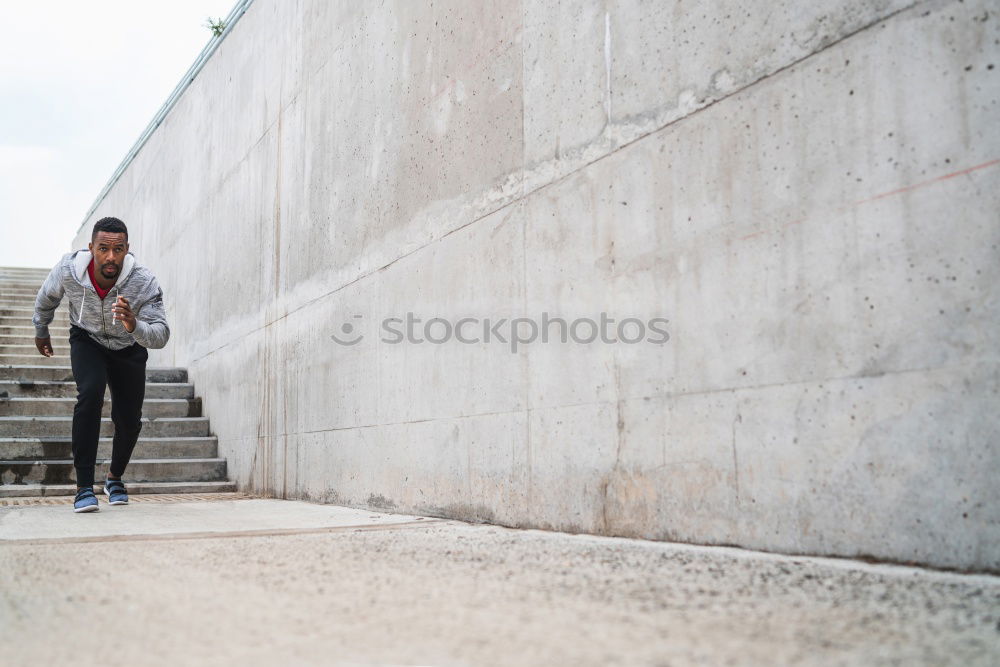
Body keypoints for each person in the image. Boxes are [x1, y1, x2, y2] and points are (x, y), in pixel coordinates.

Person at [32, 217, 170, 513]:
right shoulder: (68, 270)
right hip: (87, 339)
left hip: (128, 346)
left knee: (129, 419)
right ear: (91, 247)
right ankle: (83, 488)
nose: (111, 257)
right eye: (104, 249)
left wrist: (135, 324)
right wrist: (41, 330)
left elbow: (161, 334)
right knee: (90, 393)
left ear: (127, 249)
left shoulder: (143, 281)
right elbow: (46, 299)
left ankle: (114, 478)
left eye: (118, 249)